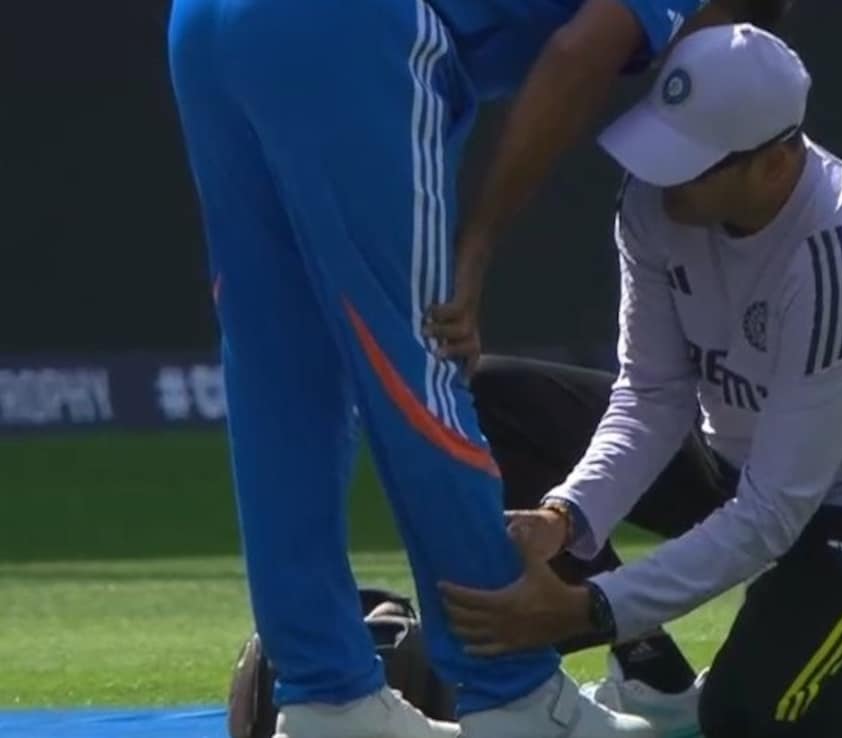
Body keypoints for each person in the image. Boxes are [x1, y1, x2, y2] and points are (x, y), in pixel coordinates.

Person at [166, 0, 791, 735]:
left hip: (205, 25)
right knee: (425, 363)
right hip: (349, 27)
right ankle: (513, 697)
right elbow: (579, 54)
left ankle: (326, 700)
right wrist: (479, 245)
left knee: (281, 379)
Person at [438, 24, 842, 738]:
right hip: (732, 464)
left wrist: (592, 607)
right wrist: (565, 518)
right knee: (501, 400)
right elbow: (651, 396)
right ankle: (655, 679)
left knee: (751, 716)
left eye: (691, 162)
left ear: (774, 164)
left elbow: (776, 512)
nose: (661, 176)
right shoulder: (653, 204)